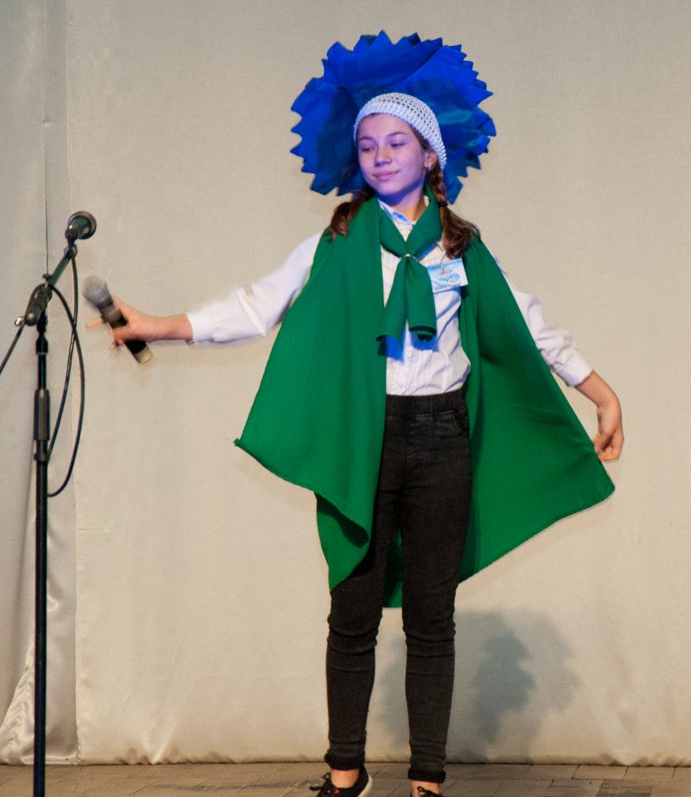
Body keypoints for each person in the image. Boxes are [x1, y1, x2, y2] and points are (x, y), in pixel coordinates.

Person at [90, 34, 623, 797]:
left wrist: (598, 390)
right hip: (363, 441)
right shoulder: (338, 242)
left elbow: (527, 324)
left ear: (430, 155)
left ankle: (427, 777)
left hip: (441, 438)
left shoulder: (460, 248)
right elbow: (256, 306)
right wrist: (160, 325)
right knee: (353, 608)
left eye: (395, 142)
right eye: (368, 145)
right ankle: (346, 771)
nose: (379, 156)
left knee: (432, 616)